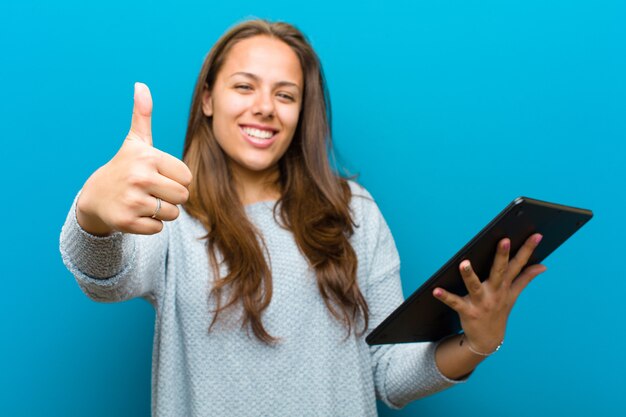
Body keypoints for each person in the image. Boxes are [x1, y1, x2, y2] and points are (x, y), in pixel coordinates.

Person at [59, 19, 546, 417]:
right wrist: (92, 214)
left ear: (301, 112)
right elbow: (106, 279)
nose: (265, 108)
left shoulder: (354, 212)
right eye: (244, 86)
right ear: (207, 99)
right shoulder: (172, 210)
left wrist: (478, 342)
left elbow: (386, 373)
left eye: (286, 95)